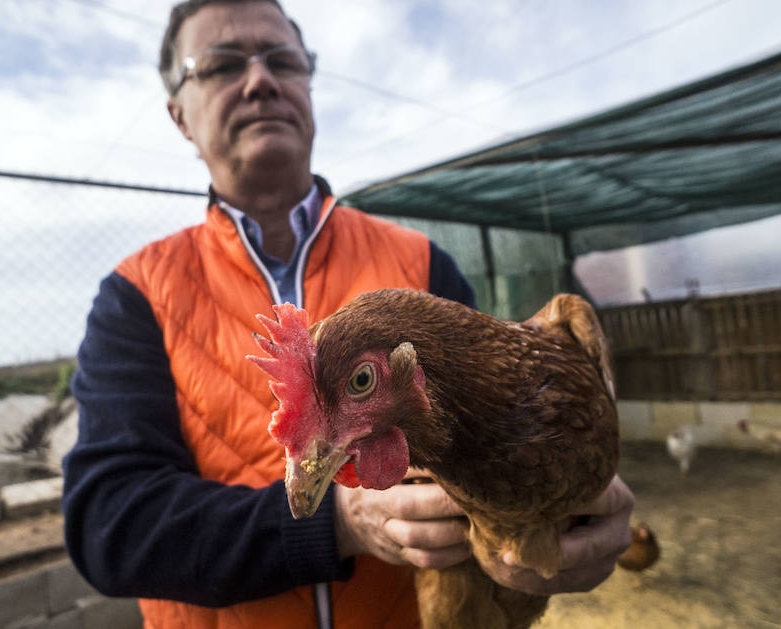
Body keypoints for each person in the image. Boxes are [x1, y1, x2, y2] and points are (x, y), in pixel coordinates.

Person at [62, 0, 635, 627]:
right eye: (223, 65)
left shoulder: (422, 263)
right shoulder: (137, 294)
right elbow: (107, 526)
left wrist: (580, 515)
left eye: (282, 60)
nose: (260, 80)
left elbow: (506, 438)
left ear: (307, 84)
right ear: (179, 115)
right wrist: (334, 525)